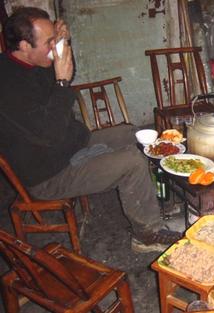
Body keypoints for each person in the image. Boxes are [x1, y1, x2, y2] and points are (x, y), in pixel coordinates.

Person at [0, 7, 181, 252]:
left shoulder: (31, 61)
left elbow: (57, 83)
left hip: (71, 144)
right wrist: (62, 81)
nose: (55, 48)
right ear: (23, 46)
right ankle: (146, 235)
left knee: (133, 134)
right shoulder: (7, 86)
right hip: (50, 174)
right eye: (49, 42)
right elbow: (49, 133)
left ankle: (154, 199)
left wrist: (64, 44)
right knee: (132, 161)